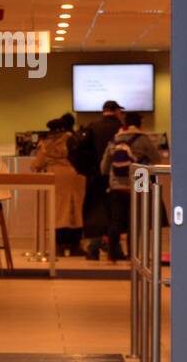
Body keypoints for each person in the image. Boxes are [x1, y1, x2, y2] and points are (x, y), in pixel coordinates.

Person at [99, 111, 160, 262]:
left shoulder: (114, 140)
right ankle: (133, 254)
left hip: (116, 184)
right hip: (139, 180)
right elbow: (156, 158)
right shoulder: (144, 139)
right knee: (136, 220)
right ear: (139, 123)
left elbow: (104, 167)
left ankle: (112, 253)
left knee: (116, 220)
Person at [73, 100, 125, 259]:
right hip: (117, 177)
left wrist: (88, 170)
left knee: (96, 212)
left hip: (95, 177)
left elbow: (79, 150)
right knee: (116, 214)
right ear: (116, 111)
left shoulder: (92, 126)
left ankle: (93, 249)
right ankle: (115, 250)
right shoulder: (120, 128)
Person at [32, 117, 86, 256]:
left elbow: (36, 165)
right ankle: (75, 245)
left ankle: (59, 246)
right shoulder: (74, 139)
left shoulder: (45, 143)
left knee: (58, 211)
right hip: (76, 175)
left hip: (55, 177)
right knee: (76, 210)